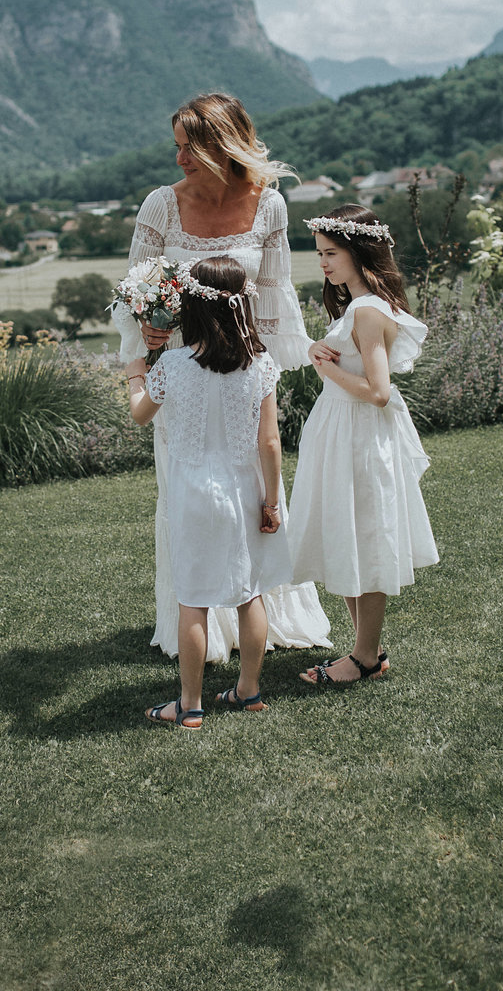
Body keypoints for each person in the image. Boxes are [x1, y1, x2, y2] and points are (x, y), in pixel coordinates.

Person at [112, 91, 332, 662]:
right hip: (181, 370)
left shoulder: (271, 205)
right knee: (189, 490)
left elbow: (276, 294)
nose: (179, 159)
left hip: (247, 364)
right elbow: (137, 290)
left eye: (188, 148)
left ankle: (270, 612)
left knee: (258, 482)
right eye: (178, 148)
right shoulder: (161, 205)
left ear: (220, 146)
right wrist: (150, 333)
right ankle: (197, 622)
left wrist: (262, 366)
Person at [125, 256, 292, 728]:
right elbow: (270, 441)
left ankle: (191, 704)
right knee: (250, 593)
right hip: (245, 489)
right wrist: (272, 501)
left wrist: (136, 373)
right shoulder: (259, 364)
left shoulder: (174, 365)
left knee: (192, 600)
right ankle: (248, 690)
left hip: (192, 495)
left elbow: (140, 414)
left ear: (192, 307)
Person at [287, 204, 439, 686]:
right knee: (347, 535)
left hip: (358, 433)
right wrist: (317, 350)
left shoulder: (368, 310)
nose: (324, 264)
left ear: (359, 251)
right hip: (341, 430)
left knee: (366, 537)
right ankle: (360, 652)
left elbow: (378, 391)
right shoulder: (358, 306)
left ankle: (365, 657)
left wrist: (324, 368)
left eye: (331, 253)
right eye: (320, 254)